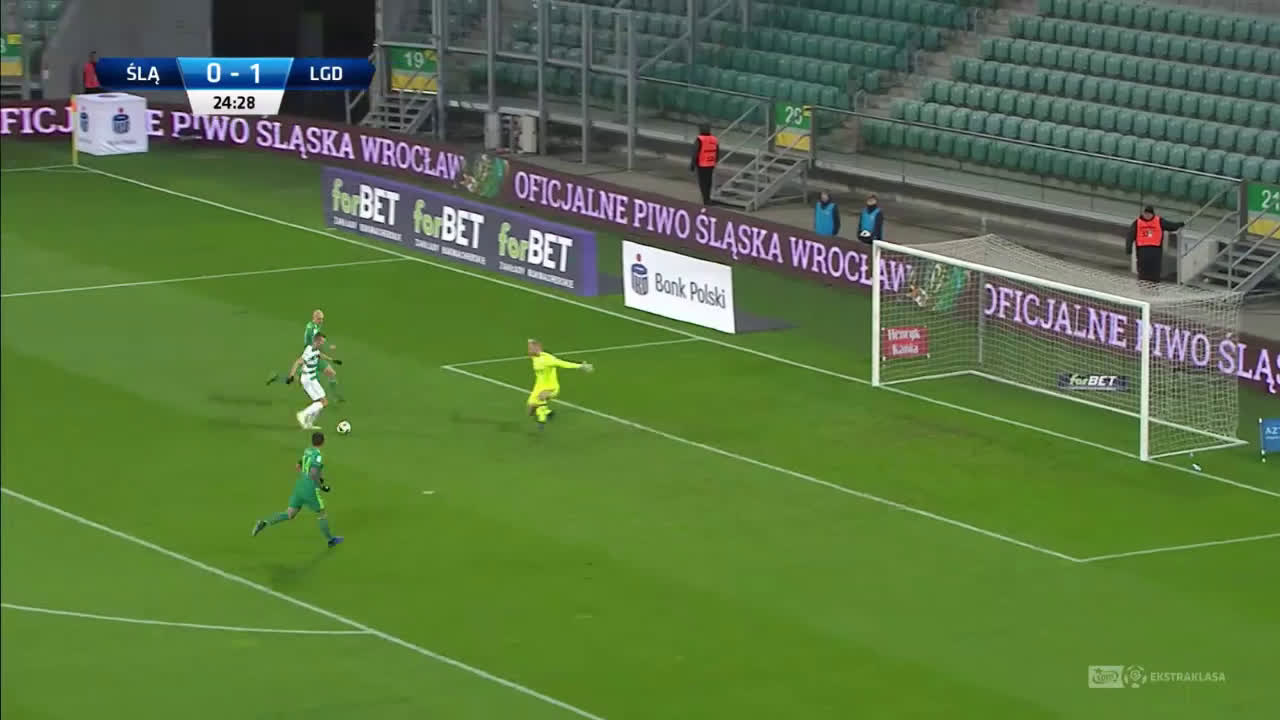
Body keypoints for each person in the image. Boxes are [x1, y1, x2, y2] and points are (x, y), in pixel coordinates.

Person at [252, 431, 343, 548]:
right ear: (323, 442)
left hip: (299, 486)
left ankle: (264, 522)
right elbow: (314, 473)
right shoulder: (318, 456)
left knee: (290, 513)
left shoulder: (307, 451)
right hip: (309, 489)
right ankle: (331, 540)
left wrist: (305, 476)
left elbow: (298, 466)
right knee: (322, 514)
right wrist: (321, 486)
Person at [269, 309, 343, 401]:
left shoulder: (317, 326)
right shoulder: (310, 329)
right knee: (300, 380)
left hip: (316, 355)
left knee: (331, 373)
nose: (321, 321)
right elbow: (314, 344)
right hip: (311, 356)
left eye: (322, 319)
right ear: (314, 318)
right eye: (319, 319)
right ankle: (278, 378)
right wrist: (324, 349)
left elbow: (319, 339)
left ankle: (335, 396)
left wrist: (327, 346)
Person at [527, 338, 593, 429]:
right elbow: (532, 351)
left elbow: (563, 363)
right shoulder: (534, 357)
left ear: (538, 348)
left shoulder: (547, 360)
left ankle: (542, 420)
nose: (529, 350)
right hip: (538, 387)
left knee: (542, 396)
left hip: (551, 387)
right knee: (531, 410)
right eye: (529, 348)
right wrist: (530, 342)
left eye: (531, 349)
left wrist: (580, 366)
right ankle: (548, 412)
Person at [286, 332, 336, 429]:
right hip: (308, 380)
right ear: (317, 341)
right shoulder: (309, 352)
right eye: (322, 342)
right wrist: (291, 375)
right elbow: (298, 362)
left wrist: (331, 359)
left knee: (320, 401)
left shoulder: (315, 349)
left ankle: (309, 423)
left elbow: (319, 355)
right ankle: (302, 414)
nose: (323, 344)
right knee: (323, 402)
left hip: (312, 379)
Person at [1126, 205, 1184, 283]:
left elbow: (1170, 226)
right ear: (1143, 213)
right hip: (1142, 250)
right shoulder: (1137, 223)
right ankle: (1142, 286)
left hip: (1155, 250)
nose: (1147, 215)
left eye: (1149, 214)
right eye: (1146, 213)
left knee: (1155, 270)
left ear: (1152, 214)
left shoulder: (1159, 221)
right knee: (1143, 271)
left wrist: (1179, 224)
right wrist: (1128, 248)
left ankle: (1154, 286)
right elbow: (1130, 235)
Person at [690, 124, 719, 205]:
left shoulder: (700, 139)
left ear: (700, 130)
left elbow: (695, 153)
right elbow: (717, 152)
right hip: (711, 164)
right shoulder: (714, 139)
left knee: (703, 183)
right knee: (709, 182)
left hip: (702, 164)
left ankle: (705, 199)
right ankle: (708, 198)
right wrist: (715, 161)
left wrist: (692, 164)